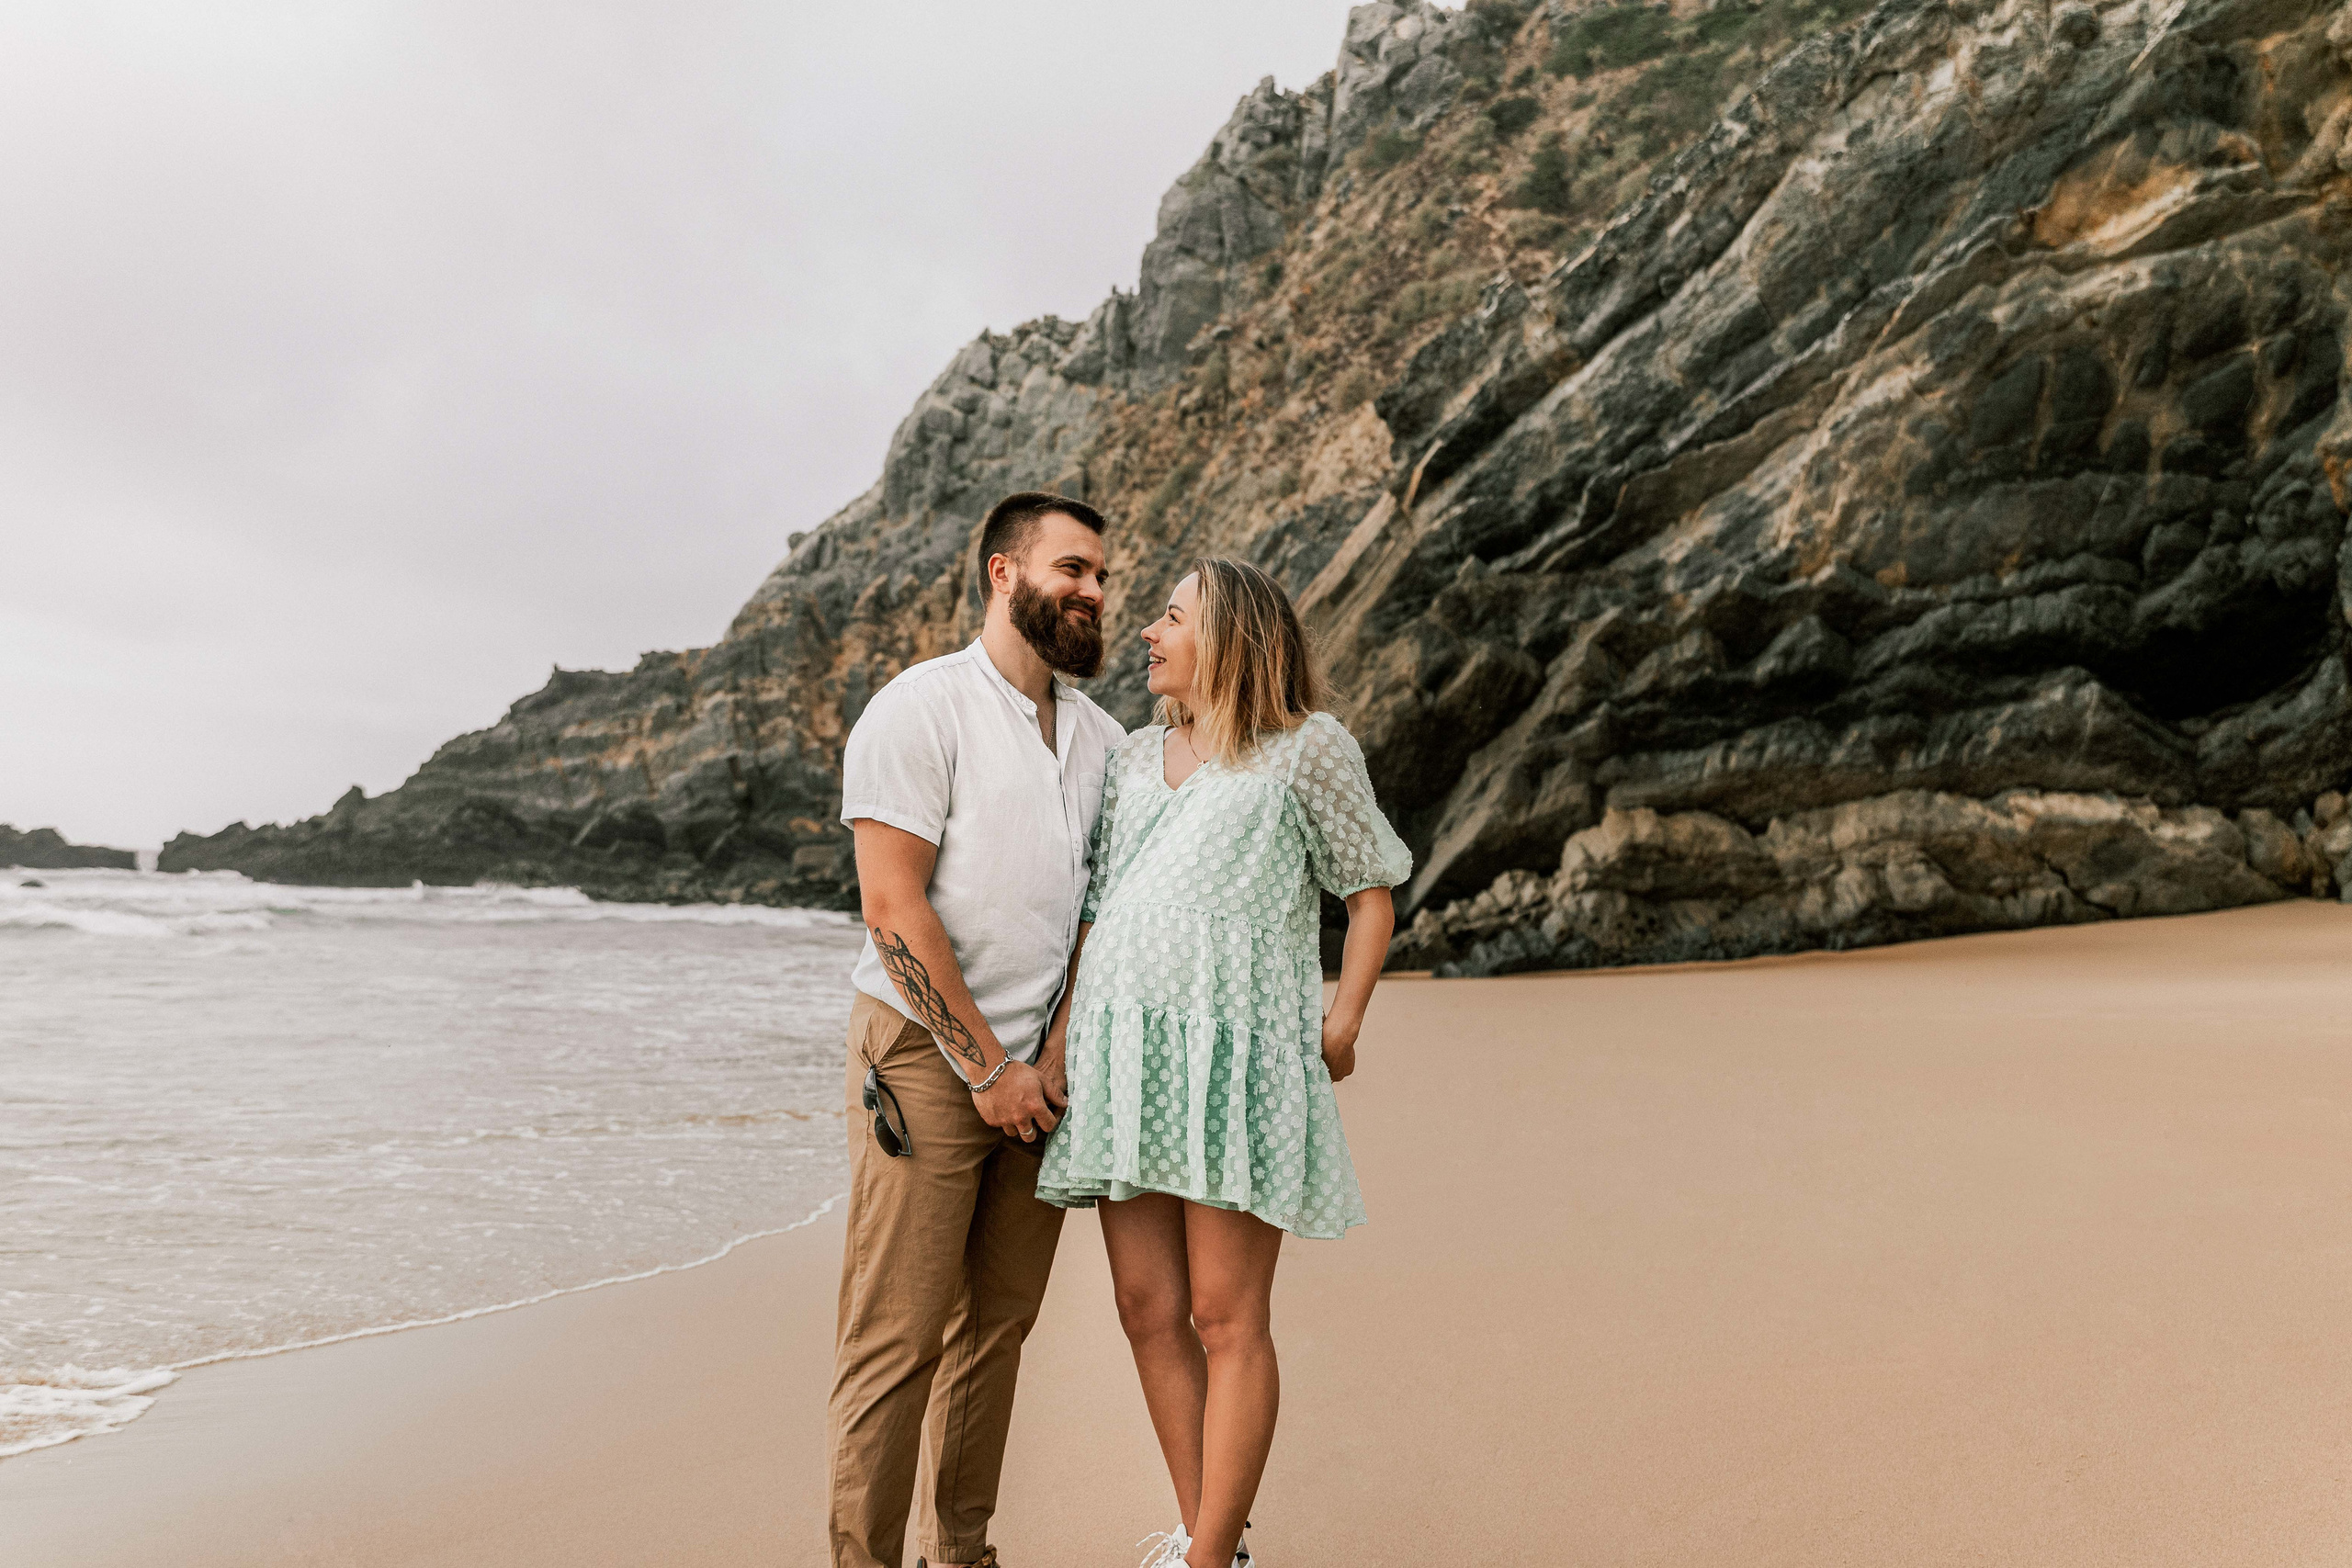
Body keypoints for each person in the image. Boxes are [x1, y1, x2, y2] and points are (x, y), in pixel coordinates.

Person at [1034, 558, 1411, 1568]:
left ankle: (1202, 1563)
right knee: (1144, 1307)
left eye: (1171, 616)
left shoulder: (1303, 749)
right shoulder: (1129, 762)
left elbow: (1370, 890)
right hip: (1125, 1052)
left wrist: (1345, 1019)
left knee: (1223, 1313)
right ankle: (1215, 1535)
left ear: (1232, 635)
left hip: (1235, 1054)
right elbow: (1098, 910)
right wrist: (1068, 1037)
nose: (1147, 631)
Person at [829, 491, 1127, 1568]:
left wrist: (1047, 1060)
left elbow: (1096, 911)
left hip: (1040, 1071)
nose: (1093, 591)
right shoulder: (920, 709)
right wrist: (986, 1064)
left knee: (995, 1330)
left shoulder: (1103, 739)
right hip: (919, 1053)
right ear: (1004, 574)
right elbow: (892, 907)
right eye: (1072, 569)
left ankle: (961, 1555)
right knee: (898, 1337)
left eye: (1100, 574)